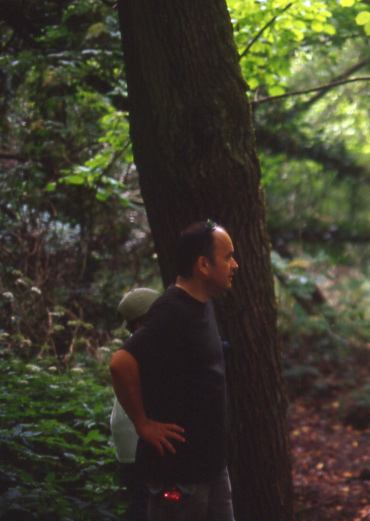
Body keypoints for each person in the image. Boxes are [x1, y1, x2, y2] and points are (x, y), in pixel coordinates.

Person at [110, 220, 239, 521]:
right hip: (181, 475)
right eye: (228, 257)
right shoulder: (171, 311)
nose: (235, 264)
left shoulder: (202, 303)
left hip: (210, 468)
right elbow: (120, 363)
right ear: (203, 265)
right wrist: (143, 424)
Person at [112, 287, 160, 521]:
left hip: (131, 442)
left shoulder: (137, 343)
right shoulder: (147, 346)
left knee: (140, 502)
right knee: (144, 506)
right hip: (137, 444)